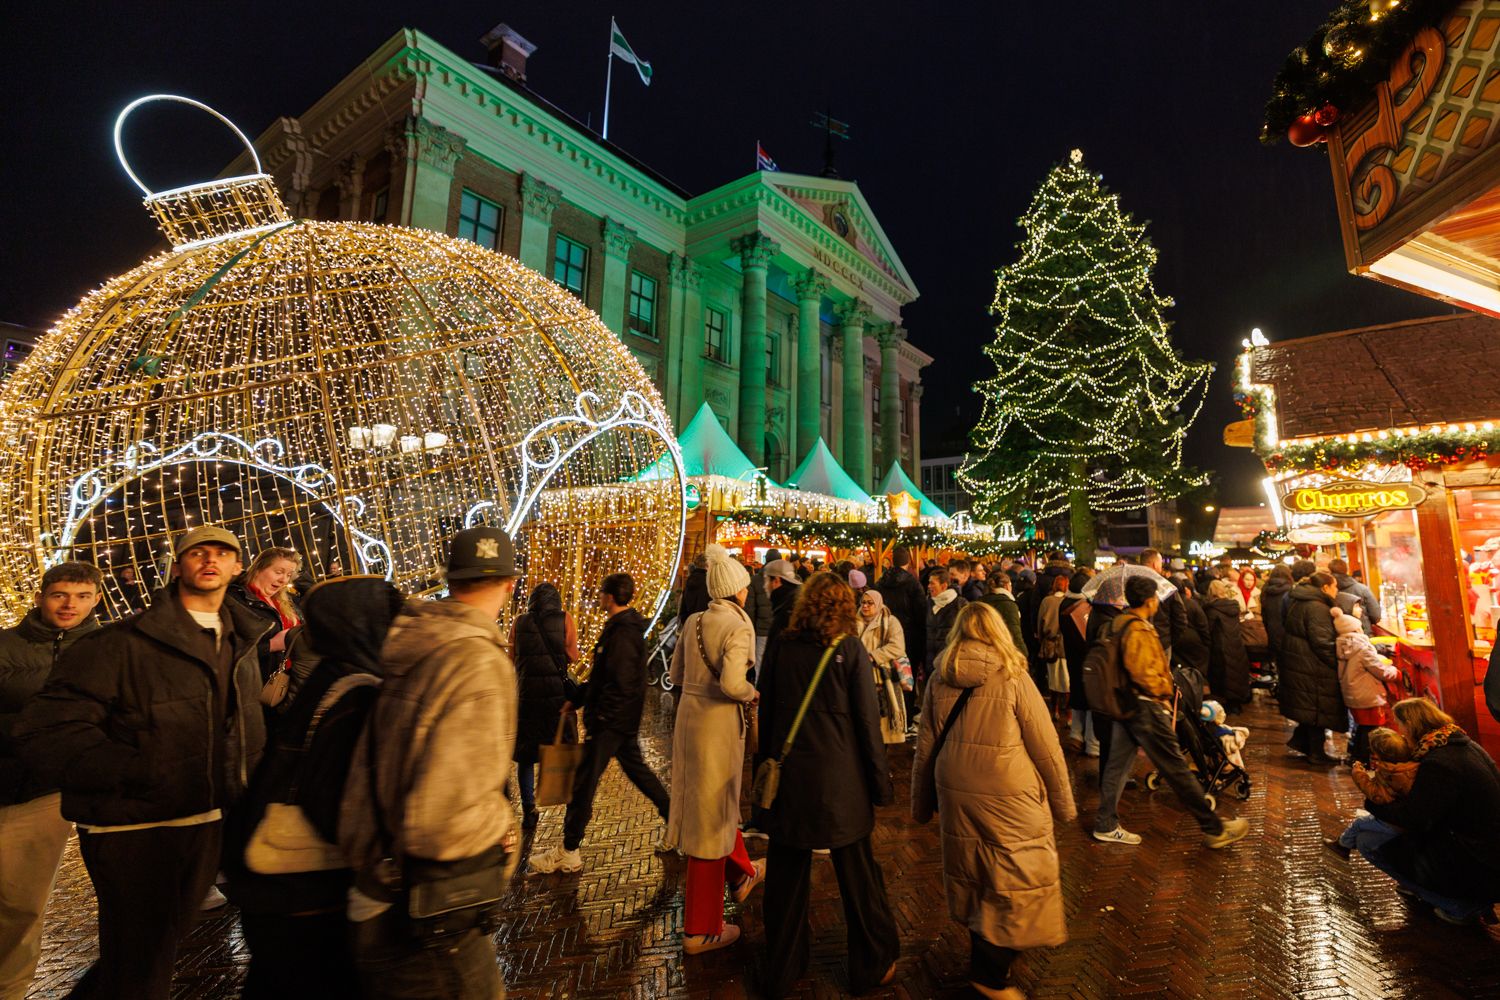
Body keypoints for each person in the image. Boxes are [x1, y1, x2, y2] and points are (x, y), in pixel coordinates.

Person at [16, 527, 267, 1000]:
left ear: (237, 568)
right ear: (177, 566)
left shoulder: (243, 640)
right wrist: (142, 770)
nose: (210, 560)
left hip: (209, 819)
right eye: (198, 552)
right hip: (136, 829)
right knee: (139, 963)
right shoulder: (118, 644)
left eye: (222, 553)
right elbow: (45, 731)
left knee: (149, 953)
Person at [339, 526, 521, 998]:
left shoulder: (414, 645)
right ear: (510, 583)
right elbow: (444, 820)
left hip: (377, 888)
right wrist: (503, 826)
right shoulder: (478, 661)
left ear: (449, 580)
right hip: (430, 914)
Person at [223, 575, 404, 999]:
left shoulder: (333, 675)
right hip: (305, 893)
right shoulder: (356, 691)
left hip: (277, 890)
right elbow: (339, 805)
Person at [912, 602, 1075, 1000]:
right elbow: (1045, 745)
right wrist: (1063, 802)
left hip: (955, 785)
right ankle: (990, 974)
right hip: (1007, 788)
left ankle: (987, 960)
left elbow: (926, 743)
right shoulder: (1012, 674)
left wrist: (920, 803)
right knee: (1019, 873)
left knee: (975, 872)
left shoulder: (940, 675)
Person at [759, 573, 899, 997]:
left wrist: (763, 774)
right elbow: (866, 725)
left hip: (790, 780)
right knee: (858, 877)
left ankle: (782, 968)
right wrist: (880, 785)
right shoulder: (850, 649)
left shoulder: (782, 645)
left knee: (785, 879)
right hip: (842, 784)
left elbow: (766, 713)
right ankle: (870, 965)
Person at [0, 561, 103, 999]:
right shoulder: (5, 645)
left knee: (21, 901)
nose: (69, 605)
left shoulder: (105, 648)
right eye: (61, 594)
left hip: (44, 792)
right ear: (41, 596)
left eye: (81, 596)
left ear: (96, 599)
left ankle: (10, 988)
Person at [1092, 576, 1250, 850]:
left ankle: (1105, 823)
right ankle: (1214, 829)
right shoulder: (1138, 630)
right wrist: (1164, 693)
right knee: (1176, 768)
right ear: (1150, 600)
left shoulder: (1119, 623)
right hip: (1146, 709)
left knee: (1116, 768)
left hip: (1126, 706)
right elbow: (1143, 674)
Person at [532, 572, 671, 874]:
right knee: (639, 774)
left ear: (609, 596)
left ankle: (569, 850)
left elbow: (617, 682)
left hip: (611, 723)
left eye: (600, 592)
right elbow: (601, 677)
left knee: (583, 784)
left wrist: (601, 718)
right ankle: (677, 822)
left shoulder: (621, 633)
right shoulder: (624, 629)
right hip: (619, 722)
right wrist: (579, 699)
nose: (597, 596)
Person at [666, 545, 763, 954]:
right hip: (718, 725)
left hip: (688, 721)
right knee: (710, 820)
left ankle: (741, 872)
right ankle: (700, 929)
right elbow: (731, 683)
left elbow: (675, 673)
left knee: (710, 806)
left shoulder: (693, 621)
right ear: (738, 589)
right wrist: (751, 693)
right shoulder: (739, 626)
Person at [1348, 698, 1500, 933]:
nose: (1399, 731)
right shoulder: (1458, 743)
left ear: (1410, 725)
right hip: (1481, 842)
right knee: (1378, 831)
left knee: (1367, 841)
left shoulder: (1439, 761)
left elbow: (1416, 818)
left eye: (1400, 724)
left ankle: (1459, 905)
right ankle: (1436, 891)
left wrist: (1372, 801)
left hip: (1474, 853)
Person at [511, 582, 581, 831]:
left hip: (527, 698)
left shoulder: (519, 623)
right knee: (559, 746)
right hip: (556, 699)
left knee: (526, 756)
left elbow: (511, 656)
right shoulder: (565, 619)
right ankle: (565, 800)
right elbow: (573, 656)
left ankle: (529, 809)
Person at [1281, 571, 1344, 764]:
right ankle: (1317, 753)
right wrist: (1338, 664)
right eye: (1335, 586)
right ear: (1325, 588)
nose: (1337, 590)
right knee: (1317, 708)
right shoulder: (1317, 607)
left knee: (1309, 708)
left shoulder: (1301, 601)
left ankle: (1302, 743)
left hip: (1301, 662)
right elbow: (1323, 642)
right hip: (1311, 666)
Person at [1333, 607, 1399, 765]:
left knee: (1362, 727)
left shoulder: (1342, 645)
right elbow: (1380, 670)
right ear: (1356, 628)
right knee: (1371, 728)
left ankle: (1355, 756)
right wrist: (1395, 672)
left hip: (1353, 694)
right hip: (1368, 695)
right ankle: (1364, 760)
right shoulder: (1362, 647)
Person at [230, 547, 303, 685]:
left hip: (287, 682)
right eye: (279, 572)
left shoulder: (285, 600)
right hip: (257, 684)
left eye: (289, 575)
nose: (284, 580)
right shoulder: (236, 600)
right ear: (258, 569)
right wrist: (272, 645)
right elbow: (229, 654)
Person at [858, 589, 909, 740]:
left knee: (882, 722)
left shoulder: (890, 621)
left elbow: (898, 647)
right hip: (860, 676)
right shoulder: (854, 622)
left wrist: (873, 656)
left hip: (883, 679)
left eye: (870, 603)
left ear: (878, 604)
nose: (865, 606)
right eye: (863, 602)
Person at [1057, 571, 1098, 756]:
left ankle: (1076, 735)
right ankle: (1092, 743)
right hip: (1087, 659)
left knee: (1077, 694)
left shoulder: (1063, 605)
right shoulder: (1085, 608)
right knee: (1090, 699)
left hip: (1072, 657)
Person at [1203, 579, 1252, 713]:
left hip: (1220, 646)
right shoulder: (1233, 606)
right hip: (1236, 643)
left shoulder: (1212, 608)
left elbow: (1209, 629)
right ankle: (1236, 703)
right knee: (1236, 673)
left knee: (1224, 675)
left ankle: (1227, 705)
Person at [1137, 548, 1187, 657]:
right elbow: (1180, 618)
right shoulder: (1166, 587)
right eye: (1160, 564)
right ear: (1155, 564)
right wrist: (1168, 640)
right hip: (1161, 643)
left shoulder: (1132, 585)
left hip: (1139, 643)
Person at [927, 568, 967, 675]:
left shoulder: (960, 604)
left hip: (950, 658)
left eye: (932, 583)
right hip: (930, 660)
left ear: (943, 586)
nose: (928, 586)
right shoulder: (929, 603)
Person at [978, 571, 1027, 654]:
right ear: (1007, 586)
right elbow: (1014, 632)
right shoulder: (1008, 605)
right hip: (1004, 650)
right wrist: (1023, 653)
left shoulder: (981, 602)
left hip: (983, 649)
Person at [744, 550, 778, 666]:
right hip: (780, 630)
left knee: (760, 665)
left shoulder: (755, 580)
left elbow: (750, 609)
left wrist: (750, 631)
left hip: (762, 631)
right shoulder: (785, 579)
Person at [1329, 558, 1380, 635]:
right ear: (1347, 570)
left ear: (1330, 571)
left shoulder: (1328, 590)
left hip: (1339, 635)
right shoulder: (1362, 589)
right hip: (1363, 633)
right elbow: (1376, 615)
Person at [764, 558, 801, 642]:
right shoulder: (791, 601)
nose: (764, 586)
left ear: (776, 581)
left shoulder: (786, 609)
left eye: (766, 580)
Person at [677, 553, 710, 626]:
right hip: (705, 624)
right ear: (707, 565)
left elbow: (683, 606)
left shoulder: (690, 580)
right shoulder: (708, 581)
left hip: (690, 623)